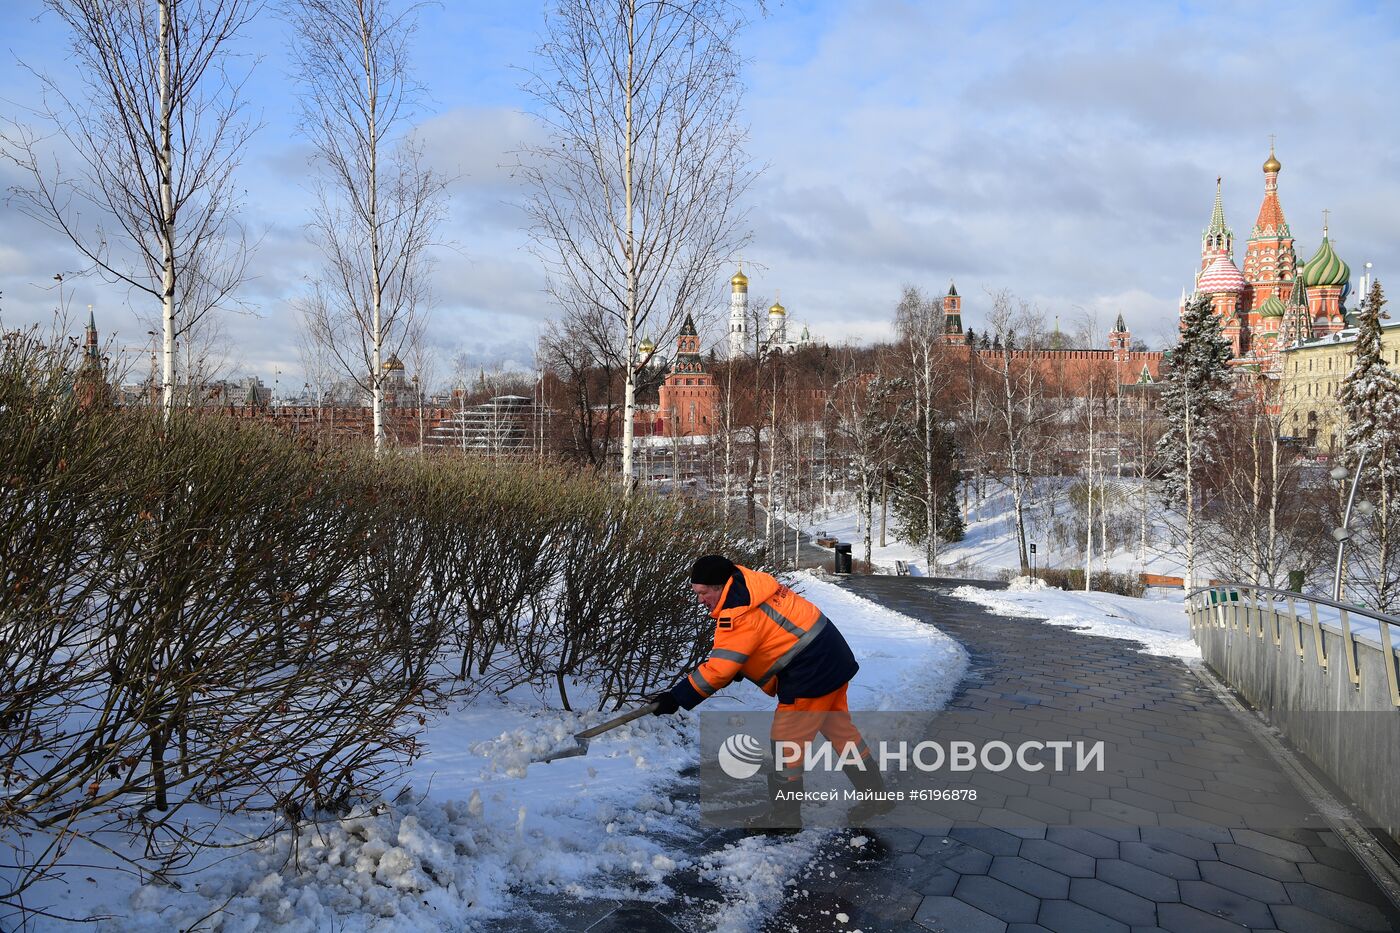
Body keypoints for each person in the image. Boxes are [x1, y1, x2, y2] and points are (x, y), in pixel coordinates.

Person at [649, 554, 893, 830]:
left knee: (786, 743)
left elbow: (718, 670)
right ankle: (877, 796)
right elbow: (769, 635)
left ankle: (784, 818)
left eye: (703, 593)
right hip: (830, 657)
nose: (700, 600)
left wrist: (676, 697)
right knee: (839, 729)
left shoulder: (737, 612)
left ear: (719, 586)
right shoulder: (752, 584)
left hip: (809, 674)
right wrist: (744, 666)